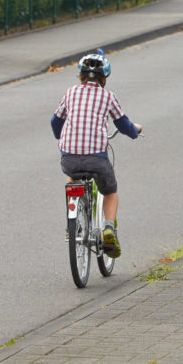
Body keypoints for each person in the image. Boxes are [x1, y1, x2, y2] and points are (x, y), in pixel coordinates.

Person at [51, 49, 142, 258]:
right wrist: (135, 131)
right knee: (110, 191)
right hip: (97, 159)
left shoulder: (70, 93)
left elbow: (55, 121)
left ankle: (72, 223)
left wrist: (61, 137)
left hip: (69, 157)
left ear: (81, 76)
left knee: (72, 178)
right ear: (104, 77)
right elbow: (124, 124)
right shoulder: (108, 97)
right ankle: (109, 228)